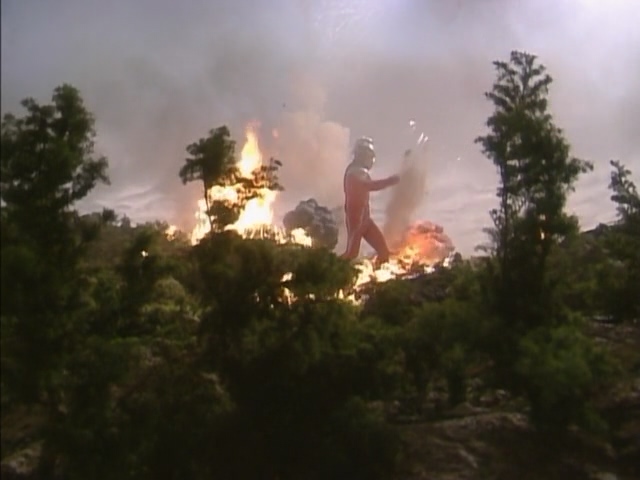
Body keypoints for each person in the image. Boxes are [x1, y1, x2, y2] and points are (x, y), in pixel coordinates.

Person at [341, 136, 399, 263]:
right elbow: (369, 186)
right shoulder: (355, 171)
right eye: (369, 155)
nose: (371, 159)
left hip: (364, 218)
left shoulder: (355, 171)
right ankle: (326, 268)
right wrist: (390, 181)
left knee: (383, 251)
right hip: (357, 219)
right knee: (351, 254)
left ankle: (379, 271)